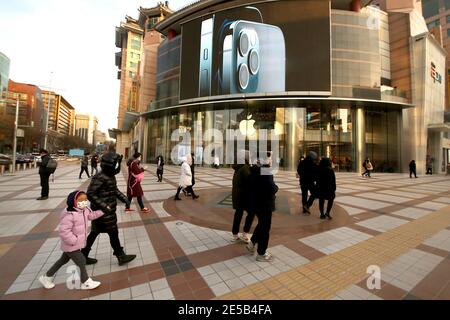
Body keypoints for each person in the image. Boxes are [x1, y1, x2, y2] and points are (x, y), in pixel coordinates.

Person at [38, 191, 104, 290]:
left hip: (74, 244)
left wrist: (103, 211)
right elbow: (64, 231)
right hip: (71, 244)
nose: (84, 202)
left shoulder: (84, 210)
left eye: (85, 200)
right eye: (81, 200)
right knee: (81, 260)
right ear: (73, 201)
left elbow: (91, 216)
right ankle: (85, 282)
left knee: (62, 260)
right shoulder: (69, 215)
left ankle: (46, 278)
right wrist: (74, 240)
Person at [82, 151, 136, 266]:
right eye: (115, 164)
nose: (117, 166)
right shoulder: (99, 177)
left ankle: (83, 255)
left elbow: (114, 190)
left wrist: (125, 199)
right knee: (112, 232)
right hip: (103, 212)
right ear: (109, 165)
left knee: (96, 232)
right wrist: (104, 206)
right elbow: (90, 194)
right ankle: (120, 255)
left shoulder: (110, 176)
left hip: (108, 211)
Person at [246, 159, 278, 262]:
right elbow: (271, 188)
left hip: (256, 203)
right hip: (265, 204)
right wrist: (276, 187)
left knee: (261, 224)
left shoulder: (253, 170)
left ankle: (252, 244)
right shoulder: (265, 171)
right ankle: (261, 253)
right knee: (265, 228)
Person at [231, 152, 254, 243]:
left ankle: (235, 234)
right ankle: (245, 233)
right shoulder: (245, 168)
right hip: (245, 196)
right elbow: (250, 181)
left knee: (238, 214)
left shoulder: (238, 167)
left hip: (237, 196)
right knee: (251, 213)